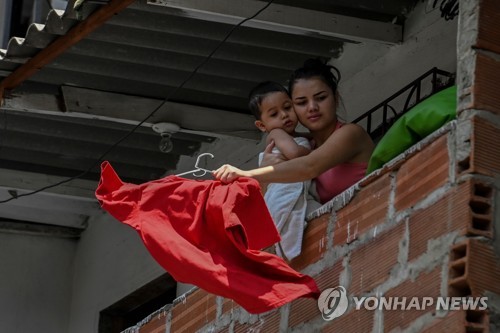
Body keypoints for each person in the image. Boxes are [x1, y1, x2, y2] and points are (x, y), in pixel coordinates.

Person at [213, 58, 375, 204]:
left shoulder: (351, 134)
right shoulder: (304, 145)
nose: (312, 107)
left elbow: (309, 167)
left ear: (336, 98)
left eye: (321, 98)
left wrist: (245, 174)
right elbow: (266, 201)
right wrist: (266, 172)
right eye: (301, 102)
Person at [248, 81, 320, 261]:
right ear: (262, 125)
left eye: (287, 107)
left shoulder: (294, 136)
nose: (284, 116)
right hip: (283, 194)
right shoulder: (276, 134)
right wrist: (317, 152)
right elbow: (295, 154)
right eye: (274, 114)